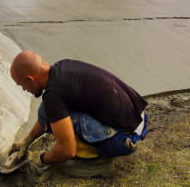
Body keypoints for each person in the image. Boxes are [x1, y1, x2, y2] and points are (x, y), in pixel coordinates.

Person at [8, 51, 148, 172]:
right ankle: (93, 144)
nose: (23, 89)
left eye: (21, 85)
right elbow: (49, 111)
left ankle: (98, 161)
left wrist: (42, 158)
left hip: (124, 139)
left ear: (30, 79)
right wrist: (28, 139)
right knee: (47, 110)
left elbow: (67, 151)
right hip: (137, 119)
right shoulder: (62, 67)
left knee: (57, 120)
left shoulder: (54, 95)